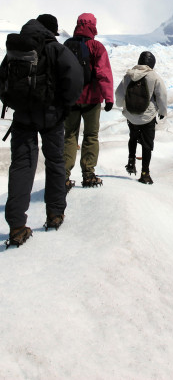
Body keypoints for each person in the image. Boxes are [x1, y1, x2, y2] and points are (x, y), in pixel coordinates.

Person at [2, 14, 84, 247]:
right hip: (51, 116)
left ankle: (17, 225)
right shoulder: (55, 49)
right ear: (51, 31)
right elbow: (75, 79)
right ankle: (55, 214)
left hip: (23, 117)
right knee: (55, 161)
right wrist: (64, 105)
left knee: (22, 165)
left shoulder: (16, 48)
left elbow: (2, 80)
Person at [63, 13, 114, 189]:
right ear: (93, 25)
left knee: (70, 135)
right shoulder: (97, 47)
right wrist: (108, 97)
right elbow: (103, 73)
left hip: (70, 99)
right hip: (92, 100)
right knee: (91, 136)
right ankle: (88, 174)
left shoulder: (66, 45)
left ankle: (63, 176)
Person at [115, 51, 167, 185]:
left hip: (131, 115)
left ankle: (131, 161)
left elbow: (119, 93)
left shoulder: (129, 75)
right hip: (147, 117)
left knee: (132, 137)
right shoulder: (154, 76)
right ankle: (145, 173)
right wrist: (162, 111)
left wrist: (122, 105)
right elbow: (161, 95)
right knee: (147, 144)